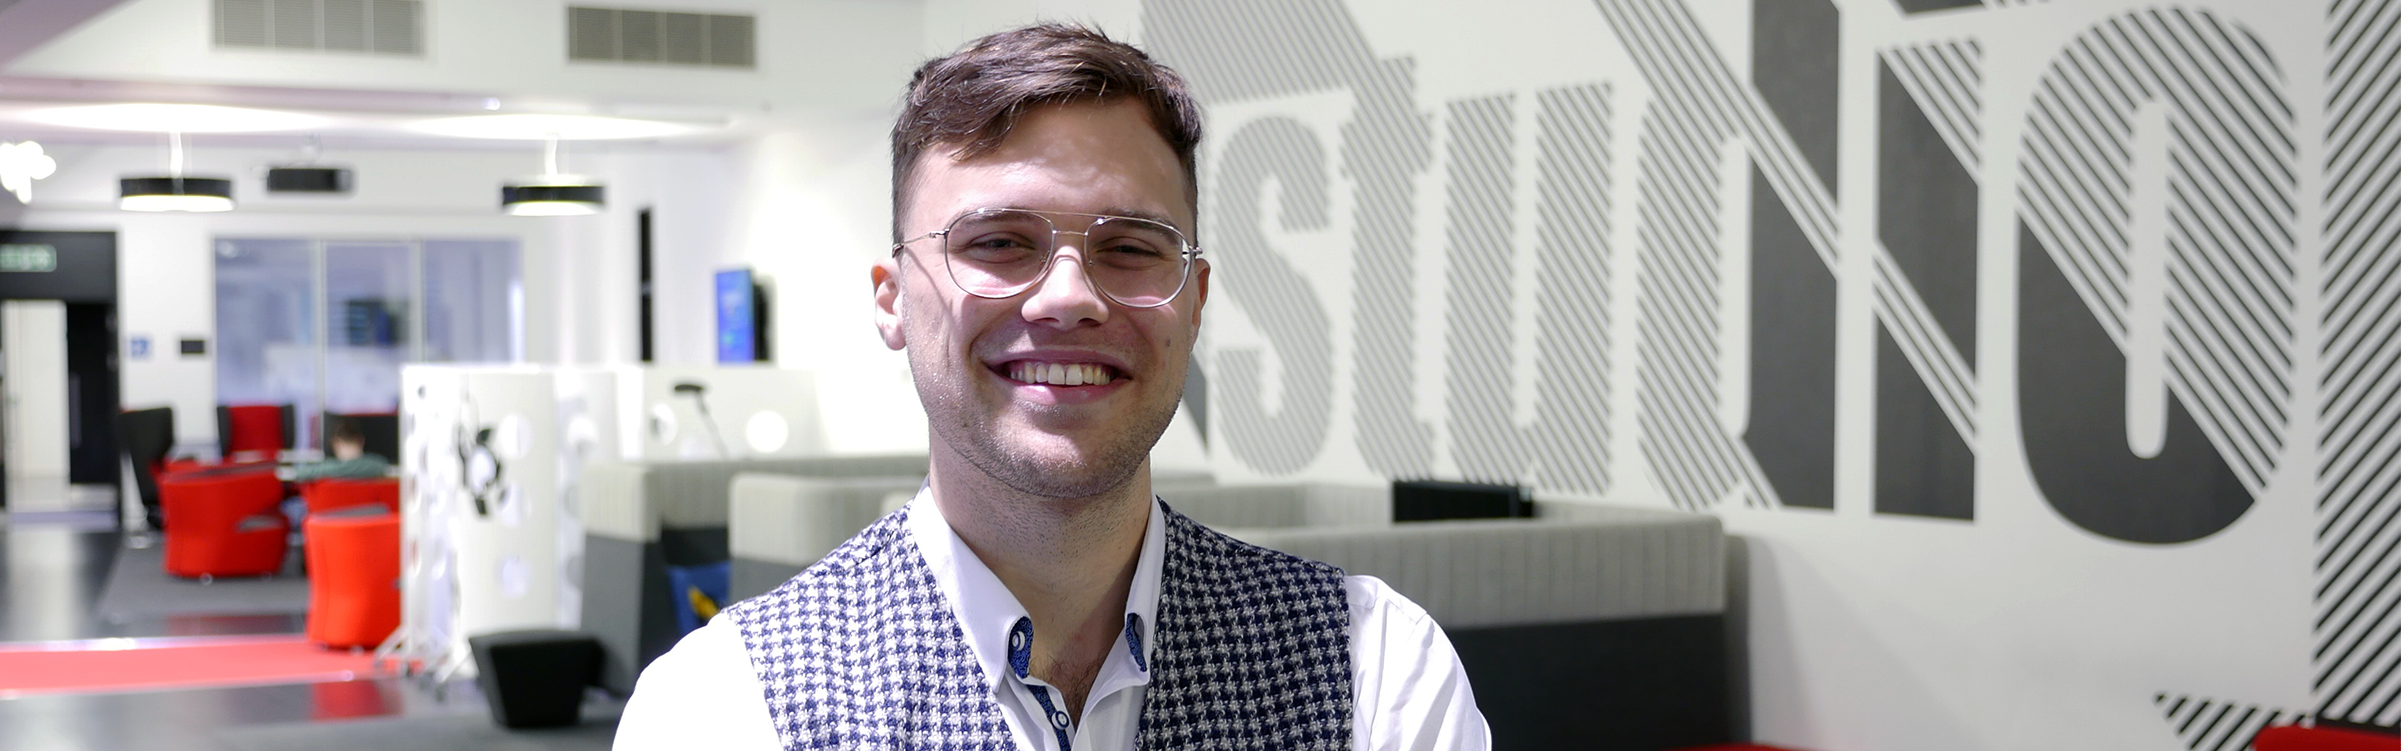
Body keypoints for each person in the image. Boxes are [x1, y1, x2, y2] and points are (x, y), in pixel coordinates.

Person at [615, 24, 1487, 750]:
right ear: (891, 300)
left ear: (1194, 302)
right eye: (997, 242)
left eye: (1131, 247)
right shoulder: (726, 707)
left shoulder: (1375, 671)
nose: (1069, 296)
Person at [289, 418, 391, 483]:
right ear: (361, 440)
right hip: (370, 516)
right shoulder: (379, 465)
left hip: (330, 516)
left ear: (335, 443)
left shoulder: (324, 469)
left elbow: (299, 474)